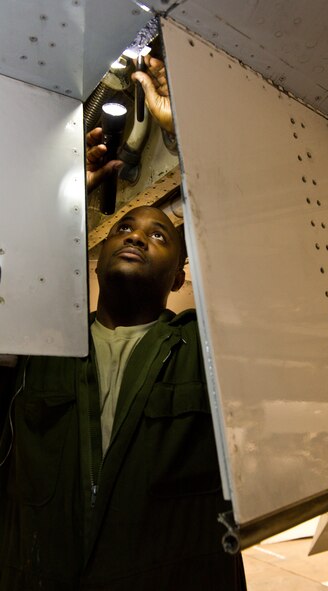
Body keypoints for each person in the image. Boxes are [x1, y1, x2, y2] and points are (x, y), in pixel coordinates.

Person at [0, 57, 247, 589]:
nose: (135, 235)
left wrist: (190, 140)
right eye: (123, 228)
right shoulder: (41, 349)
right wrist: (49, 207)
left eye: (159, 235)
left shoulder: (202, 352)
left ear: (180, 276)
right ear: (99, 254)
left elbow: (256, 252)